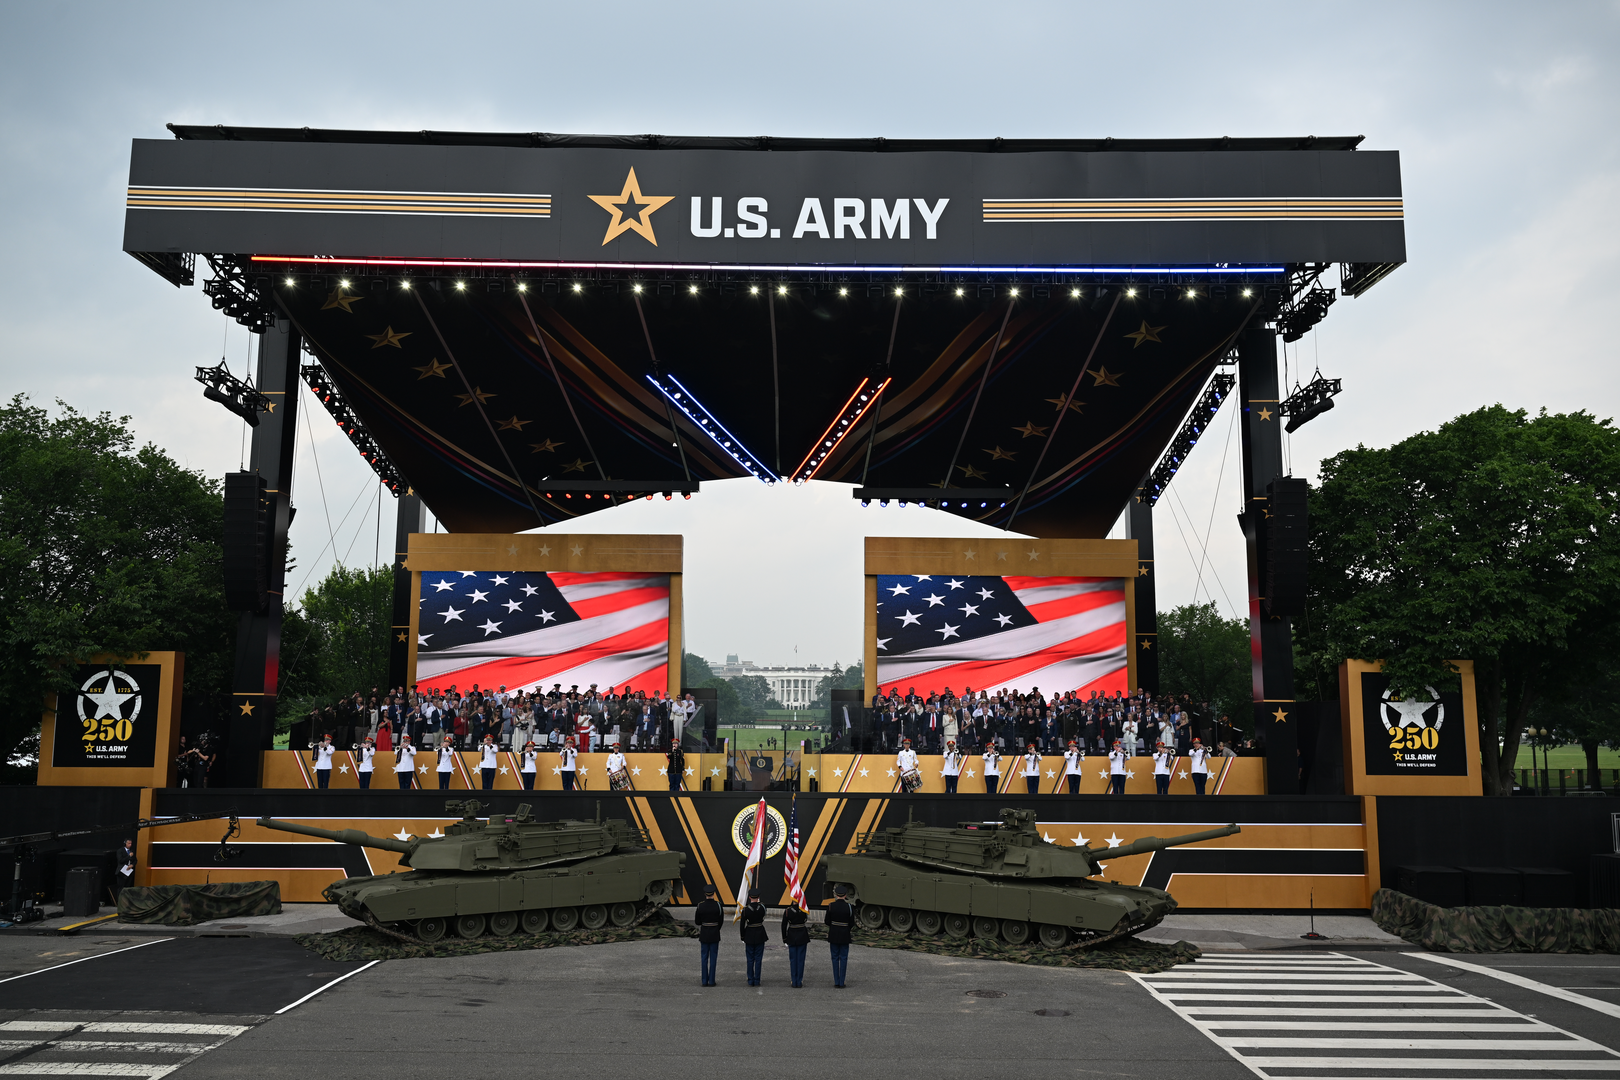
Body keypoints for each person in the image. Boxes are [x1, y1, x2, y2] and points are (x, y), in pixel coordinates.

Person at [740, 887, 769, 986]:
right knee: (758, 959)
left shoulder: (745, 910)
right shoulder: (762, 908)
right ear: (758, 897)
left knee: (750, 959)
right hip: (760, 933)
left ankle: (750, 979)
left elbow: (742, 924)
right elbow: (763, 916)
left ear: (749, 897)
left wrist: (742, 936)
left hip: (749, 933)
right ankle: (757, 980)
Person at [826, 883, 854, 988]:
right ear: (845, 895)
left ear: (836, 895)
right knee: (843, 958)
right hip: (844, 934)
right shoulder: (849, 907)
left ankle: (836, 981)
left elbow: (827, 921)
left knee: (834, 958)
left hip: (834, 933)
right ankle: (842, 981)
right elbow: (852, 923)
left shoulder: (831, 906)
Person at [695, 883, 722, 986]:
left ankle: (704, 981)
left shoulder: (700, 905)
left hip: (704, 933)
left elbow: (697, 921)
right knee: (713, 958)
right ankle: (711, 981)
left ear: (705, 894)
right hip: (714, 933)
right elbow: (721, 921)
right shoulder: (718, 905)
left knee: (704, 958)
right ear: (713, 893)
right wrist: (716, 929)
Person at [782, 900, 810, 988]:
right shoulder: (804, 909)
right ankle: (799, 980)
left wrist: (784, 938)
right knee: (801, 960)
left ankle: (794, 981)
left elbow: (784, 925)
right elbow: (805, 919)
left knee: (793, 960)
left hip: (792, 935)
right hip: (802, 935)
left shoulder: (788, 911)